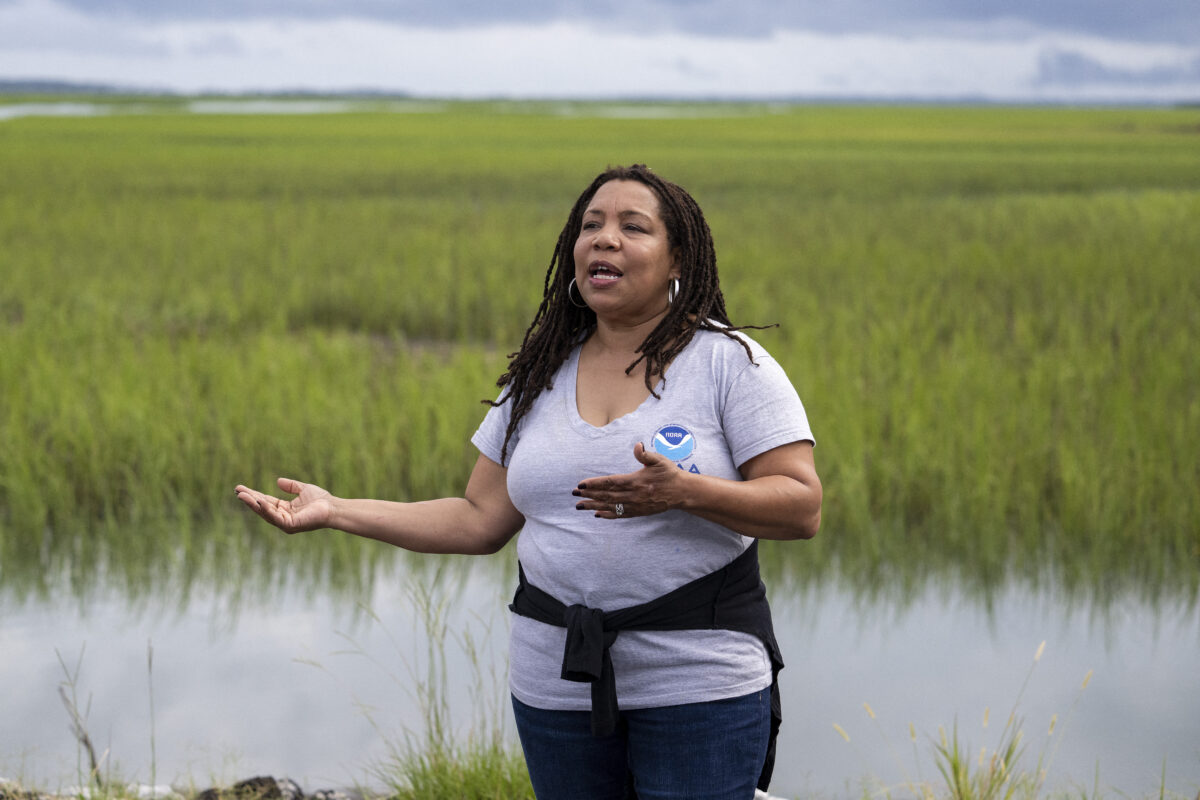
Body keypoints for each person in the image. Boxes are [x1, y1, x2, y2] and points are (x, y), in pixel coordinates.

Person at [235, 164, 821, 800]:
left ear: (678, 257)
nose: (605, 239)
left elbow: (801, 506)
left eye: (633, 227)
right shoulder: (538, 374)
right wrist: (337, 510)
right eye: (591, 225)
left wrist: (687, 492)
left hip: (699, 681)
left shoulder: (731, 364)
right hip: (556, 682)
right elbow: (478, 517)